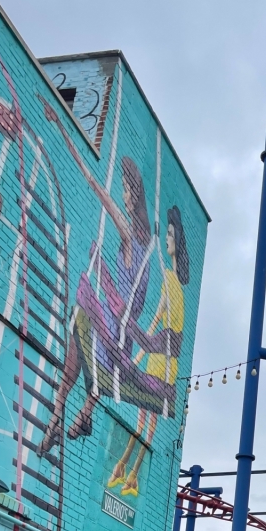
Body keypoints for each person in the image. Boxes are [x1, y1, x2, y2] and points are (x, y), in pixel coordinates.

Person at [39, 98, 153, 453]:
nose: (121, 195)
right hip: (118, 323)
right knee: (78, 337)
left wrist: (60, 127)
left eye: (125, 189)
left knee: (83, 324)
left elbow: (91, 182)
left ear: (134, 197)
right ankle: (63, 421)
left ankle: (73, 415)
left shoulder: (133, 237)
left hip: (116, 324)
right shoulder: (142, 245)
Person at [108, 206, 189, 496]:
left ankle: (125, 469)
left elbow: (157, 319)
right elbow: (160, 320)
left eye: (170, 234)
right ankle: (127, 473)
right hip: (166, 361)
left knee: (146, 420)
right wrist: (142, 354)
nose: (167, 239)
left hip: (161, 359)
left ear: (177, 241)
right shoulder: (174, 281)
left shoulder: (172, 279)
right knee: (147, 421)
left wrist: (141, 354)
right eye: (166, 233)